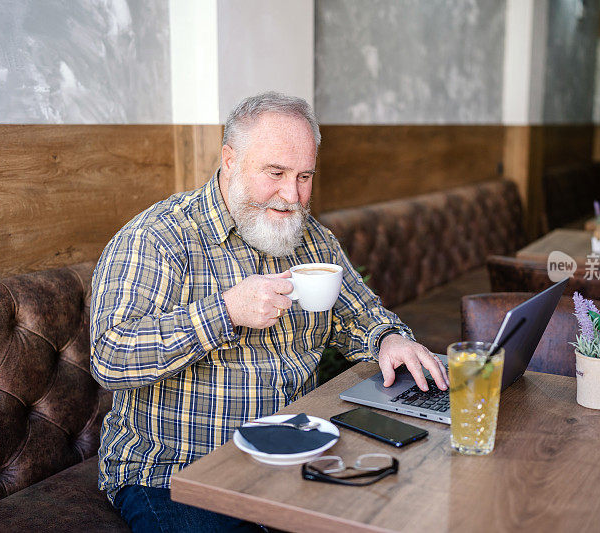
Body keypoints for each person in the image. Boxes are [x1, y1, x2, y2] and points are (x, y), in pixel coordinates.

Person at [90, 91, 449, 532]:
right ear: (230, 158)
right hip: (176, 471)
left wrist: (388, 338)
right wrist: (226, 312)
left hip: (294, 454)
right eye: (275, 172)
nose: (292, 195)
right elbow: (110, 357)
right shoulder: (159, 238)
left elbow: (359, 312)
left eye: (304, 176)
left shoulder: (312, 238)